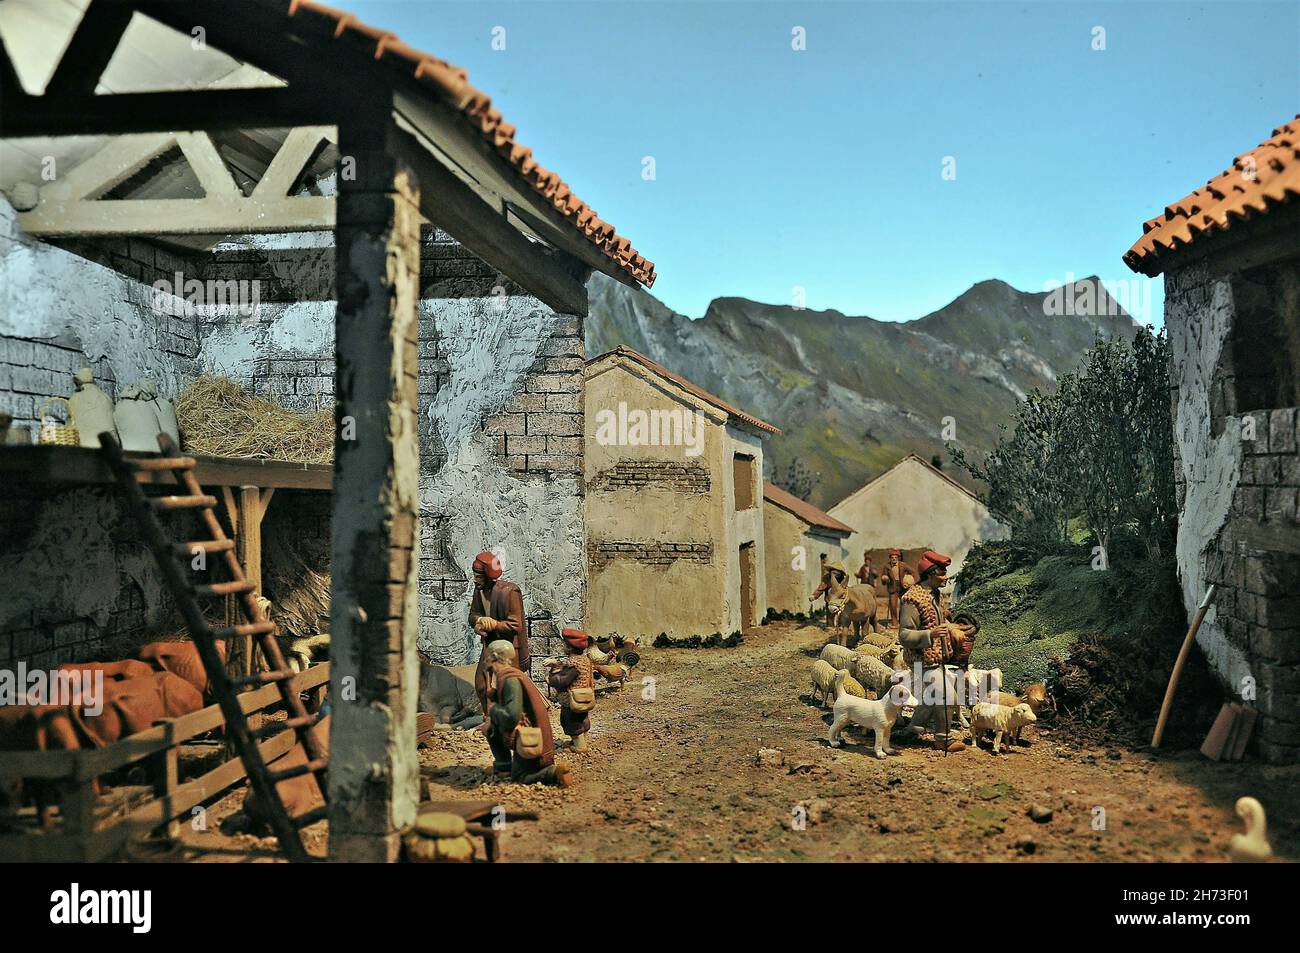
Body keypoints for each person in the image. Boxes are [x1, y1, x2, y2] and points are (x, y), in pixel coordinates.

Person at [897, 550, 969, 753]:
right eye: (942, 573)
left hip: (935, 658)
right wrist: (931, 634)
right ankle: (943, 740)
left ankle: (912, 730)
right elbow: (904, 635)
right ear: (930, 574)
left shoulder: (934, 595)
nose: (946, 577)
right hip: (921, 659)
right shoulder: (912, 599)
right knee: (947, 695)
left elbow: (935, 621)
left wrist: (950, 626)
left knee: (931, 697)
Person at [481, 640, 572, 786]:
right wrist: (495, 695)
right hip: (520, 729)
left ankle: (552, 773)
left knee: (520, 777)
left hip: (527, 734)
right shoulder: (506, 676)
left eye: (487, 657)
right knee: (492, 728)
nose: (484, 661)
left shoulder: (510, 679)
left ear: (494, 657)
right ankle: (504, 767)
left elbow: (512, 716)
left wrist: (493, 710)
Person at [468, 551, 528, 713]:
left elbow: (516, 625)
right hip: (489, 644)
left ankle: (515, 718)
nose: (475, 580)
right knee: (482, 685)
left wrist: (494, 624)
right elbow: (473, 614)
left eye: (479, 576)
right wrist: (479, 622)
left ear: (488, 576)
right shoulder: (478, 590)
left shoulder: (509, 592)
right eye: (475, 575)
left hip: (508, 647)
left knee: (510, 686)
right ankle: (489, 717)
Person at [547, 629, 597, 751]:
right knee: (582, 718)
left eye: (564, 645)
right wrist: (558, 664)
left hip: (571, 699)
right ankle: (580, 740)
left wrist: (552, 676)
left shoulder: (573, 663)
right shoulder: (585, 660)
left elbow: (562, 680)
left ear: (569, 648)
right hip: (585, 696)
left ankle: (580, 746)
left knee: (570, 721)